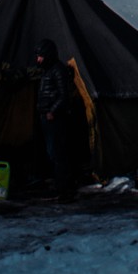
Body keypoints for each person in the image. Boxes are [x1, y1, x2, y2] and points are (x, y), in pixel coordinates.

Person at [29, 40, 88, 200]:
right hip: (45, 115)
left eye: (41, 56)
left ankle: (64, 187)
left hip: (54, 118)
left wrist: (52, 111)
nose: (38, 60)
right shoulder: (47, 71)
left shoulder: (57, 71)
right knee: (51, 151)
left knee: (57, 152)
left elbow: (64, 95)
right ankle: (58, 184)